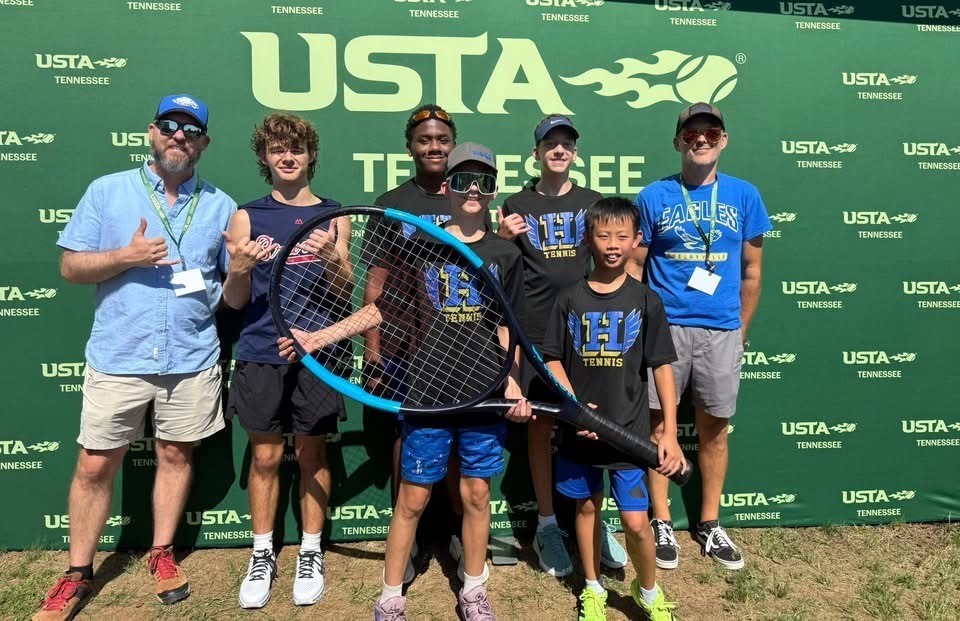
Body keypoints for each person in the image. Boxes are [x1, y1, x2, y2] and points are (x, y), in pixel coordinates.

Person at [35, 94, 237, 621]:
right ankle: (78, 572)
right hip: (120, 354)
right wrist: (126, 256)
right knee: (95, 463)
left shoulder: (220, 205)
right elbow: (71, 268)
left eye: (190, 130)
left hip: (191, 357)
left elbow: (231, 294)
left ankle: (162, 553)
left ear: (204, 143)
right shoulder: (108, 192)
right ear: (151, 132)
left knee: (175, 455)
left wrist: (241, 270)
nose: (179, 136)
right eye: (169, 126)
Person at [370, 143, 531, 621]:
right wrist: (317, 339)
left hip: (484, 389)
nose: (473, 189)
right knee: (413, 497)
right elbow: (381, 306)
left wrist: (514, 381)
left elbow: (508, 325)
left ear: (494, 189)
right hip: (428, 390)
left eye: (483, 180)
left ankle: (475, 590)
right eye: (463, 180)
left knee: (477, 495)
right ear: (447, 187)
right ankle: (390, 596)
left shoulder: (506, 252)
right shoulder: (423, 243)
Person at [631, 103, 771, 571]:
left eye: (710, 132)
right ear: (678, 143)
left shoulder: (746, 196)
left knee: (713, 429)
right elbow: (634, 266)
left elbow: (752, 273)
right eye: (691, 134)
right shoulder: (654, 196)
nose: (701, 139)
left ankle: (709, 522)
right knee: (657, 427)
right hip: (664, 329)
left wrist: (741, 330)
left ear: (723, 139)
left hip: (721, 330)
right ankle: (662, 519)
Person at [222, 112, 352, 608]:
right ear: (264, 158)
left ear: (310, 154)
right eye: (278, 149)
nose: (288, 156)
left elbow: (344, 292)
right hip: (259, 351)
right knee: (266, 455)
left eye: (296, 148)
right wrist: (238, 269)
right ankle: (262, 553)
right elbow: (235, 302)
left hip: (317, 353)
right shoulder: (245, 216)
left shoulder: (335, 212)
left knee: (313, 453)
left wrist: (333, 260)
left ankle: (311, 550)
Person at [542, 197, 684, 621]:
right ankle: (591, 586)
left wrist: (671, 433)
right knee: (586, 510)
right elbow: (551, 359)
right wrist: (574, 407)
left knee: (637, 524)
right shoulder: (568, 299)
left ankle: (648, 589)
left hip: (628, 434)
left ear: (637, 240)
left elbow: (661, 367)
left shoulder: (647, 301)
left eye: (622, 236)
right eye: (603, 235)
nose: (612, 244)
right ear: (587, 239)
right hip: (579, 433)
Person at [496, 114, 626, 576]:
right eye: (550, 143)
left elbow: (613, 261)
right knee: (538, 426)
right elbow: (501, 266)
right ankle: (549, 524)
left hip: (584, 330)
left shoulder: (592, 202)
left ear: (575, 152)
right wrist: (501, 237)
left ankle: (594, 520)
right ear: (536, 153)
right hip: (533, 332)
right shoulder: (516, 203)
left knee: (589, 422)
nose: (558, 149)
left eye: (566, 142)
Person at [361, 104, 457, 582]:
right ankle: (412, 534)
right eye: (424, 140)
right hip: (407, 345)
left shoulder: (469, 198)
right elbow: (374, 286)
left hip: (465, 345)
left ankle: (458, 531)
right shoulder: (390, 203)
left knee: (461, 436)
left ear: (452, 144)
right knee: (408, 438)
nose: (434, 147)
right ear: (410, 147)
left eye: (441, 139)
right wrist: (372, 353)